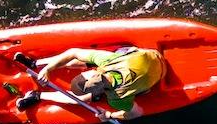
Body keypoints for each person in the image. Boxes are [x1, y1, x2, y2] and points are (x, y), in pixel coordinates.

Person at [16, 42, 167, 116]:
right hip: (151, 57)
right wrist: (47, 69)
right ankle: (35, 64)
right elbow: (73, 52)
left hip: (159, 76)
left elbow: (137, 112)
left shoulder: (117, 98)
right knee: (83, 59)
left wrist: (110, 115)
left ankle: (37, 96)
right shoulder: (109, 60)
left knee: (77, 98)